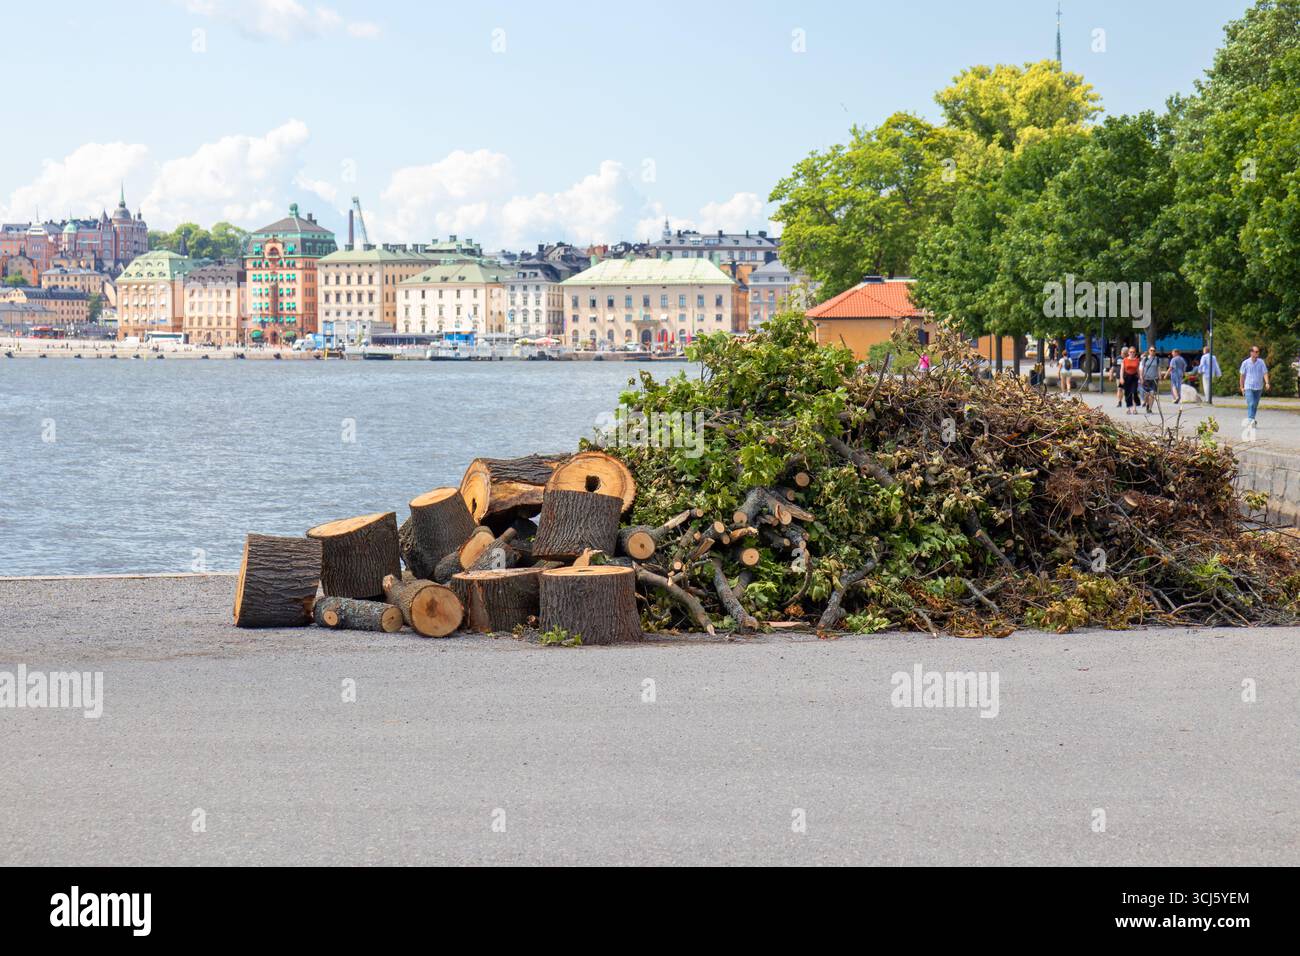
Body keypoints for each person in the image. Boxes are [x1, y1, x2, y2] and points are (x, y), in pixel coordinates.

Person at [1239, 345, 1270, 424]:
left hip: (1258, 387)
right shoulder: (1245, 363)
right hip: (1248, 386)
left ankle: (1252, 419)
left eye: (1258, 352)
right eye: (1255, 352)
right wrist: (1242, 387)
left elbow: (1265, 373)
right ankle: (1250, 419)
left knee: (1255, 404)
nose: (1257, 353)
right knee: (1251, 403)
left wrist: (1267, 383)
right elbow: (1242, 376)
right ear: (1251, 353)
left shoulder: (1261, 362)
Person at [1121, 347, 1141, 414]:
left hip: (1134, 377)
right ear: (1128, 353)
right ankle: (1129, 408)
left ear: (1135, 353)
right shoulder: (1125, 360)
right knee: (1127, 393)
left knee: (1134, 392)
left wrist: (1141, 378)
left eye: (1133, 352)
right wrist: (1121, 378)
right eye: (1130, 352)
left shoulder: (1137, 360)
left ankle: (1134, 409)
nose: (1132, 353)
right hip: (1127, 377)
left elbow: (1138, 370)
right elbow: (1122, 370)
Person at [1140, 346, 1160, 414]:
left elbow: (1158, 368)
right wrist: (1141, 377)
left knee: (1152, 394)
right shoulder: (1145, 359)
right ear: (1149, 351)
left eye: (1154, 350)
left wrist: (1159, 376)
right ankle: (1146, 403)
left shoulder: (1157, 359)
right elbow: (1142, 369)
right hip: (1146, 379)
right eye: (1151, 350)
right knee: (1147, 394)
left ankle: (1150, 408)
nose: (1152, 352)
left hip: (1154, 379)